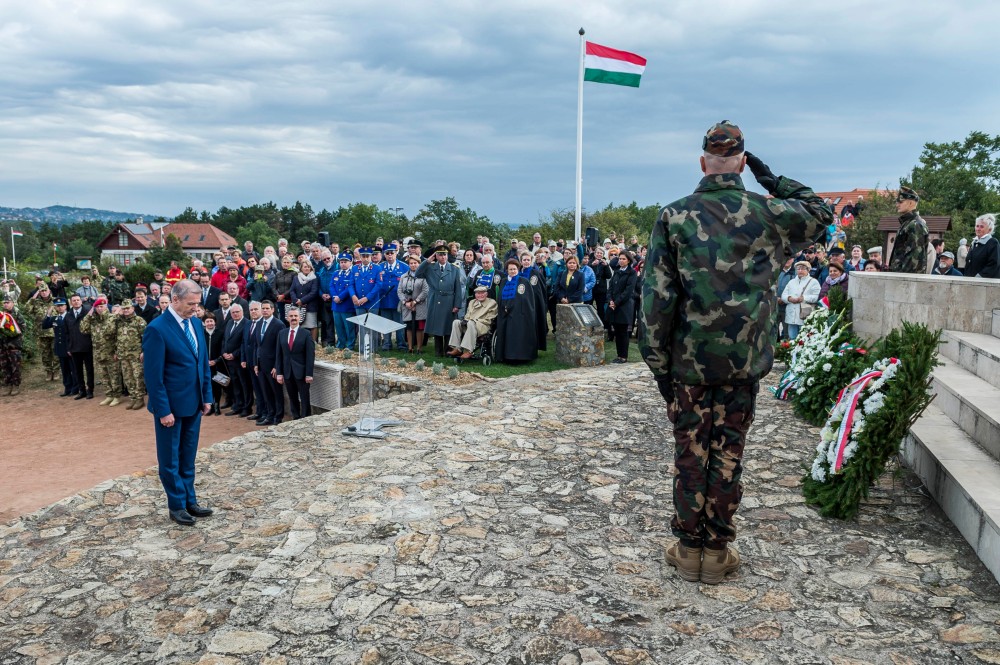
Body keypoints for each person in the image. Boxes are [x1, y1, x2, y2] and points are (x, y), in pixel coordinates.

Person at [641, 121, 831, 585]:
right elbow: (822, 212)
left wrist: (660, 369)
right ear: (743, 162)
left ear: (702, 162)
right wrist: (771, 179)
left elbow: (656, 303)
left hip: (689, 363)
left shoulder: (675, 216)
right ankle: (717, 550)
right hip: (743, 363)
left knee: (691, 452)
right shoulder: (769, 211)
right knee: (728, 453)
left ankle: (689, 549)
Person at [141, 278, 215, 527]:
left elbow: (201, 362)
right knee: (170, 459)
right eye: (191, 303)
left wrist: (207, 396)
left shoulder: (195, 323)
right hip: (170, 408)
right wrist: (163, 410)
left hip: (194, 404)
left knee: (188, 456)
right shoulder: (157, 328)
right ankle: (176, 505)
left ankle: (190, 500)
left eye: (198, 303)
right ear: (174, 299)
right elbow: (153, 375)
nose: (196, 308)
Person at [416, 244, 467, 357]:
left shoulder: (454, 269)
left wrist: (457, 305)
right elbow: (417, 274)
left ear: (447, 255)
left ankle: (448, 350)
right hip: (435, 300)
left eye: (444, 254)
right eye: (440, 255)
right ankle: (438, 352)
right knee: (437, 328)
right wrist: (427, 261)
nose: (443, 257)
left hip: (449, 300)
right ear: (436, 256)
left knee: (449, 328)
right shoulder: (430, 267)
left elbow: (458, 288)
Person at [79, 297, 124, 406]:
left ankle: (117, 396)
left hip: (111, 353)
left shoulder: (113, 318)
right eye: (97, 307)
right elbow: (83, 329)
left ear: (106, 307)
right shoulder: (93, 320)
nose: (100, 309)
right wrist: (89, 315)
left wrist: (117, 352)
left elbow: (119, 336)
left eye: (102, 306)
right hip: (99, 353)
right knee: (104, 376)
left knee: (114, 376)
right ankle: (109, 395)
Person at [494, 259, 538, 363]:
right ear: (507, 270)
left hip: (519, 314)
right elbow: (500, 297)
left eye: (514, 269)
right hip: (504, 314)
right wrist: (504, 307)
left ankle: (519, 357)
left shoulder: (524, 282)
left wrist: (514, 307)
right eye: (510, 269)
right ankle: (505, 356)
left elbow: (526, 300)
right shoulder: (504, 281)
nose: (512, 271)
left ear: (518, 269)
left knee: (517, 335)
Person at [276, 307, 315, 420]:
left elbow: (310, 356)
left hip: (302, 373)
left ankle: (306, 419)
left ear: (300, 318)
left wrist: (309, 374)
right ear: (287, 318)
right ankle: (296, 418)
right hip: (287, 372)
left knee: (304, 397)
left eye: (296, 316)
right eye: (291, 316)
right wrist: (279, 373)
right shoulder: (282, 333)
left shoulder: (306, 334)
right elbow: (279, 354)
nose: (293, 318)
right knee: (292, 397)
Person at [253, 300, 286, 426]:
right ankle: (269, 415)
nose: (265, 310)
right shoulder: (259, 322)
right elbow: (257, 345)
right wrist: (256, 363)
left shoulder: (279, 325)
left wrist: (277, 367)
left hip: (273, 366)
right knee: (266, 392)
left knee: (276, 393)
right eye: (263, 308)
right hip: (261, 365)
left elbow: (280, 348)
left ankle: (278, 417)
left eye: (267, 308)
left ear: (273, 309)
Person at [447, 285, 498, 359]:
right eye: (478, 293)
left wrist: (475, 321)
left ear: (486, 294)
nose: (480, 295)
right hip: (470, 325)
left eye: (482, 293)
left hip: (483, 326)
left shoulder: (492, 303)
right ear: (475, 295)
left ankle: (468, 351)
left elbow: (489, 319)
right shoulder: (472, 302)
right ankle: (457, 348)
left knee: (471, 323)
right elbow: (467, 315)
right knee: (456, 322)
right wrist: (466, 321)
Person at [114, 299, 147, 410]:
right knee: (128, 378)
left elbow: (146, 338)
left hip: (136, 355)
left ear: (133, 308)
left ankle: (139, 398)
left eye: (128, 308)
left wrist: (144, 351)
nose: (126, 310)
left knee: (138, 377)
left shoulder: (139, 321)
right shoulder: (119, 321)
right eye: (124, 309)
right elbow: (116, 337)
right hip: (123, 354)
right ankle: (133, 397)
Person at [887, 186, 929, 273]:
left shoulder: (915, 225)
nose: (897, 205)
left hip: (907, 281)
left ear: (910, 203)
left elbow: (914, 262)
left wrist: (901, 280)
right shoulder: (907, 223)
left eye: (901, 202)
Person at [608, 250, 639, 363]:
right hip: (614, 306)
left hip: (624, 306)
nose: (621, 261)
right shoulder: (616, 271)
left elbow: (628, 291)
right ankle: (618, 355)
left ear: (629, 260)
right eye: (620, 259)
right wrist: (610, 300)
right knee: (616, 330)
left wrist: (616, 302)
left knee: (623, 332)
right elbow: (610, 287)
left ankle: (624, 356)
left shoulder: (632, 272)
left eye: (623, 259)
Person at [25, 283, 58, 381]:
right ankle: (48, 371)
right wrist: (32, 299)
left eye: (45, 291)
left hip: (55, 332)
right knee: (45, 354)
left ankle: (56, 371)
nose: (44, 293)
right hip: (41, 332)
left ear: (49, 291)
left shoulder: (55, 301)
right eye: (41, 291)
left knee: (55, 353)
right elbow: (27, 310)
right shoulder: (35, 302)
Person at [378, 244, 408, 351]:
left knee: (399, 323)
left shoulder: (404, 267)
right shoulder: (380, 267)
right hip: (385, 300)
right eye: (387, 253)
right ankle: (387, 343)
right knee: (386, 323)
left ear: (396, 253)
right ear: (384, 255)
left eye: (392, 253)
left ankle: (401, 344)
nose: (390, 255)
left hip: (398, 300)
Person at [65, 294, 94, 400]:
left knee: (89, 369)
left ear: (81, 301)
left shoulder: (88, 312)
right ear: (71, 302)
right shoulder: (68, 315)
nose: (76, 302)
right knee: (78, 370)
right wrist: (68, 347)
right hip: (74, 347)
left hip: (87, 346)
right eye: (74, 300)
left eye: (78, 300)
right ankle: (82, 391)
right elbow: (66, 333)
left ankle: (90, 390)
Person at [781, 261, 821, 338]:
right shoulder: (791, 282)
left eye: (803, 269)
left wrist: (804, 298)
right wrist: (789, 298)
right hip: (791, 315)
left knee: (804, 339)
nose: (800, 271)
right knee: (792, 338)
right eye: (798, 269)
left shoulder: (813, 282)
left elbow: (816, 297)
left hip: (805, 315)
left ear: (808, 270)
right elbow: (783, 295)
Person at [398, 255, 428, 353]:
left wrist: (416, 301)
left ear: (419, 264)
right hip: (407, 305)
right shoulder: (404, 276)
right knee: (409, 327)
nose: (413, 265)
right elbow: (399, 291)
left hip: (420, 304)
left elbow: (425, 290)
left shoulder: (423, 276)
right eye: (411, 263)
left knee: (420, 327)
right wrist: (405, 302)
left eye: (415, 263)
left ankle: (419, 348)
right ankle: (410, 347)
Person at [329, 253, 357, 350]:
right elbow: (331, 286)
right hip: (336, 305)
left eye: (345, 262)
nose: (343, 264)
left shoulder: (353, 273)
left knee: (349, 327)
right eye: (341, 262)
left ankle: (350, 345)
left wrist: (340, 297)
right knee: (339, 326)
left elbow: (350, 287)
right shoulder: (336, 273)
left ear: (350, 262)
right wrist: (335, 296)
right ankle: (340, 344)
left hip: (347, 305)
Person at [289, 259, 320, 341]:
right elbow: (292, 290)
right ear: (301, 268)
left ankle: (313, 343)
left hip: (310, 306)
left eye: (309, 267)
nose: (307, 268)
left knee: (312, 325)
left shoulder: (314, 278)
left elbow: (314, 292)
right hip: (297, 306)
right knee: (300, 326)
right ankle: (300, 342)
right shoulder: (296, 278)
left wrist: (302, 301)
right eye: (305, 267)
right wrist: (296, 300)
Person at [0, 295, 24, 395]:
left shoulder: (17, 314)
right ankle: (8, 385)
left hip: (14, 345)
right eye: (4, 303)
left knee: (15, 366)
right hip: (2, 345)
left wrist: (9, 331)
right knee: (5, 366)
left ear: (12, 303)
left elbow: (22, 329)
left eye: (8, 302)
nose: (6, 304)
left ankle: (15, 385)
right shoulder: (1, 314)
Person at [964, 213, 1000, 279]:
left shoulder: (993, 242)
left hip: (984, 284)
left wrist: (978, 278)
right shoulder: (974, 242)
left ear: (989, 229)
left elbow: (993, 265)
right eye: (977, 226)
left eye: (982, 227)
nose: (978, 229)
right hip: (970, 282)